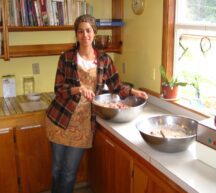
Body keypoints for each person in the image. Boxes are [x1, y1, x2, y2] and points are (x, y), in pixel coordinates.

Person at [45, 14, 148, 193]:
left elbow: (116, 86)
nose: (84, 35)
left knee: (69, 172)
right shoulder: (67, 57)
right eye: (80, 31)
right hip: (60, 119)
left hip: (84, 124)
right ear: (76, 34)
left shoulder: (104, 60)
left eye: (88, 31)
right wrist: (78, 89)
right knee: (56, 170)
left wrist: (133, 91)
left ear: (94, 33)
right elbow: (59, 89)